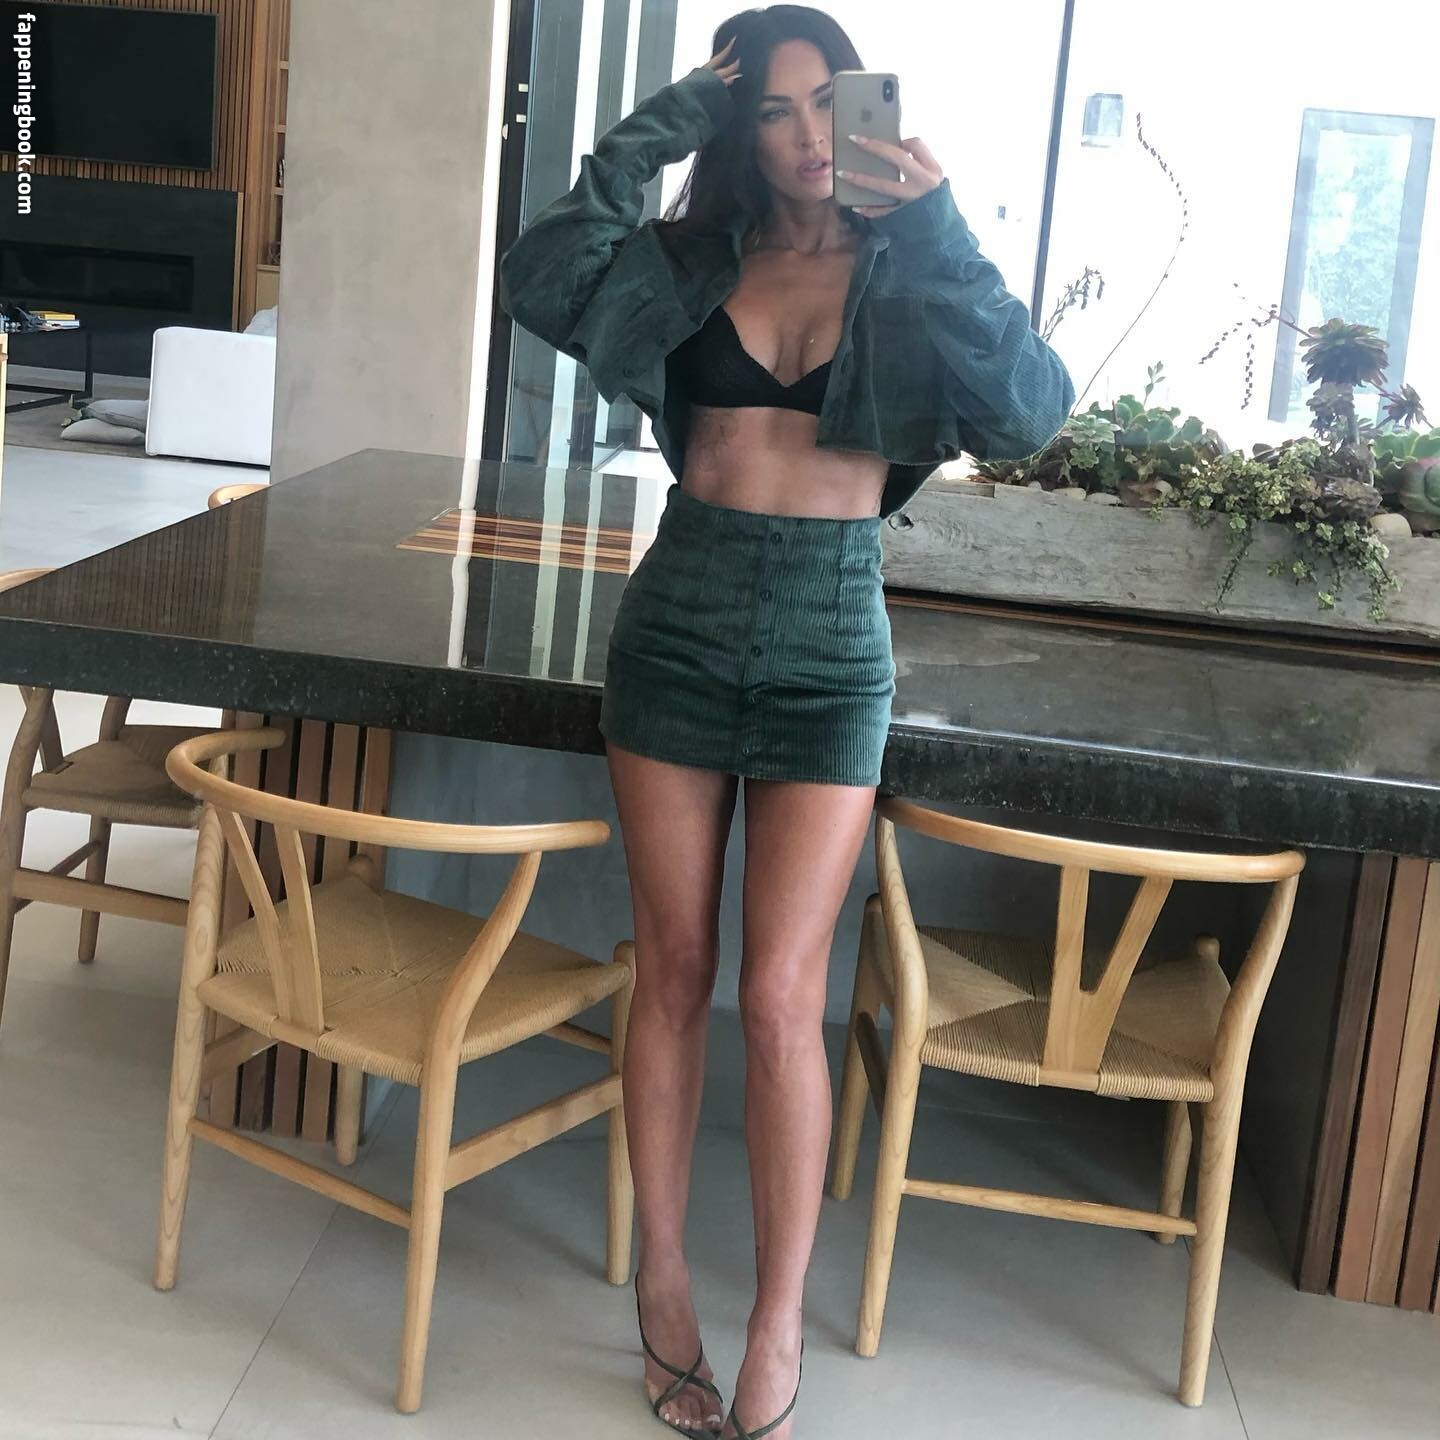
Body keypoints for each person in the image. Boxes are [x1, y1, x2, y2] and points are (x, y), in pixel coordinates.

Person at [500, 6, 1073, 1435]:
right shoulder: (693, 258)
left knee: (778, 996)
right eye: (772, 108)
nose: (808, 135)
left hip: (832, 637)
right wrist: (659, 125)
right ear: (736, 125)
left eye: (829, 104)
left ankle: (775, 1323)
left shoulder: (912, 269)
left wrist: (937, 223)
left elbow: (1031, 413)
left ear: (869, 111)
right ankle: (664, 1282)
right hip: (679, 619)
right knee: (675, 969)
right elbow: (541, 274)